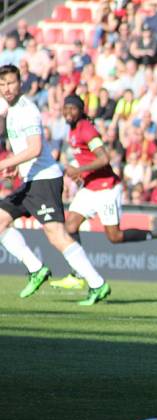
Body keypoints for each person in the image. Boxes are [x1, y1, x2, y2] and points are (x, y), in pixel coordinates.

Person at [0, 64, 110, 305]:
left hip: (45, 180)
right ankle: (36, 268)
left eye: (10, 83)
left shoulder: (27, 110)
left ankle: (97, 283)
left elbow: (36, 148)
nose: (7, 88)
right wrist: (15, 166)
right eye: (2, 84)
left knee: (57, 235)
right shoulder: (12, 109)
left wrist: (5, 162)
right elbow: (26, 151)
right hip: (31, 180)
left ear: (20, 83)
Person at [49, 94, 157, 290]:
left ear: (80, 110)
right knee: (69, 226)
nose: (68, 112)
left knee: (114, 237)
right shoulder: (73, 129)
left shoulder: (86, 130)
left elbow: (104, 159)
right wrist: (81, 172)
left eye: (72, 108)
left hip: (106, 188)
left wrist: (79, 170)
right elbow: (87, 159)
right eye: (65, 108)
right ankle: (77, 275)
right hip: (90, 186)